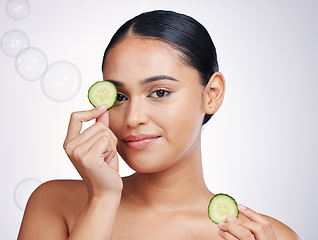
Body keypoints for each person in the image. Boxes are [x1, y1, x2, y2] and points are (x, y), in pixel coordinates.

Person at [18, 10, 300, 240]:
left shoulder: (264, 236)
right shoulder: (55, 203)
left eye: (160, 93)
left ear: (211, 94)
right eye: (119, 96)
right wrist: (102, 198)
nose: (132, 118)